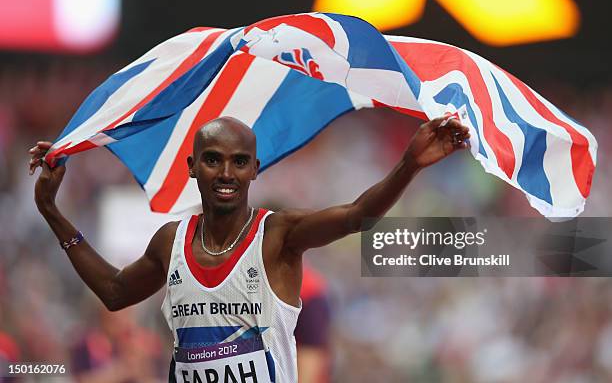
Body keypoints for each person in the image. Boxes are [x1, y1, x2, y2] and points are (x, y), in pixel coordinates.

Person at [29, 115, 469, 382]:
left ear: (254, 170)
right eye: (213, 159)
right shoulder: (171, 242)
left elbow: (356, 216)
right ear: (192, 167)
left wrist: (409, 163)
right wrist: (51, 211)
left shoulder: (278, 237)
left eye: (239, 161)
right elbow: (114, 291)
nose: (226, 172)